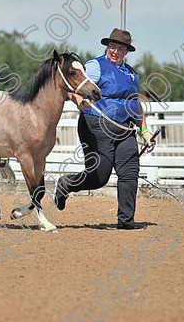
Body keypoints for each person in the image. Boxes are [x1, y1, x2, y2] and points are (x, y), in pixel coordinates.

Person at [53, 28, 155, 230]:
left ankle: (126, 221)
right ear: (107, 47)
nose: (115, 51)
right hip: (96, 125)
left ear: (127, 52)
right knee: (99, 177)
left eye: (120, 48)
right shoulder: (95, 66)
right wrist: (80, 101)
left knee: (130, 172)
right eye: (112, 47)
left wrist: (144, 130)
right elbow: (75, 87)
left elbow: (135, 104)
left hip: (124, 129)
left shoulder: (132, 74)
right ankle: (67, 184)